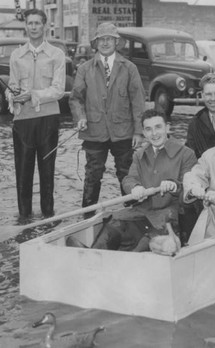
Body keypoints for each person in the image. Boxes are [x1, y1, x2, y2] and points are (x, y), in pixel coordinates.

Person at [68, 109, 197, 251]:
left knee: (142, 246)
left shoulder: (186, 154)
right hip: (141, 213)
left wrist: (174, 186)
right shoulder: (139, 155)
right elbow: (129, 179)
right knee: (112, 226)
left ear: (167, 127)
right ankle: (91, 255)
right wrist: (135, 187)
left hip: (169, 219)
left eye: (158, 127)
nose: (154, 134)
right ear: (144, 132)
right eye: (148, 129)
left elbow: (190, 189)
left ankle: (99, 260)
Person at [69, 22, 145, 212]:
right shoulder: (84, 69)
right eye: (101, 39)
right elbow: (76, 98)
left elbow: (138, 102)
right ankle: (87, 216)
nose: (105, 43)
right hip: (94, 131)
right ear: (95, 43)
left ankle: (132, 212)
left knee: (126, 173)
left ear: (116, 42)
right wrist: (80, 117)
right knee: (93, 174)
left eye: (109, 39)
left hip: (124, 132)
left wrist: (138, 131)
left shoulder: (129, 68)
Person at [6, 8, 66, 220]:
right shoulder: (16, 55)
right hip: (22, 121)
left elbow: (59, 90)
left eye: (37, 23)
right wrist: (11, 95)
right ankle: (24, 218)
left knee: (47, 171)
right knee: (23, 173)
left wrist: (33, 94)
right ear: (26, 26)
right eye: (30, 23)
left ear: (45, 25)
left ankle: (48, 217)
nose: (33, 27)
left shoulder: (57, 54)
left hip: (48, 120)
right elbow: (12, 85)